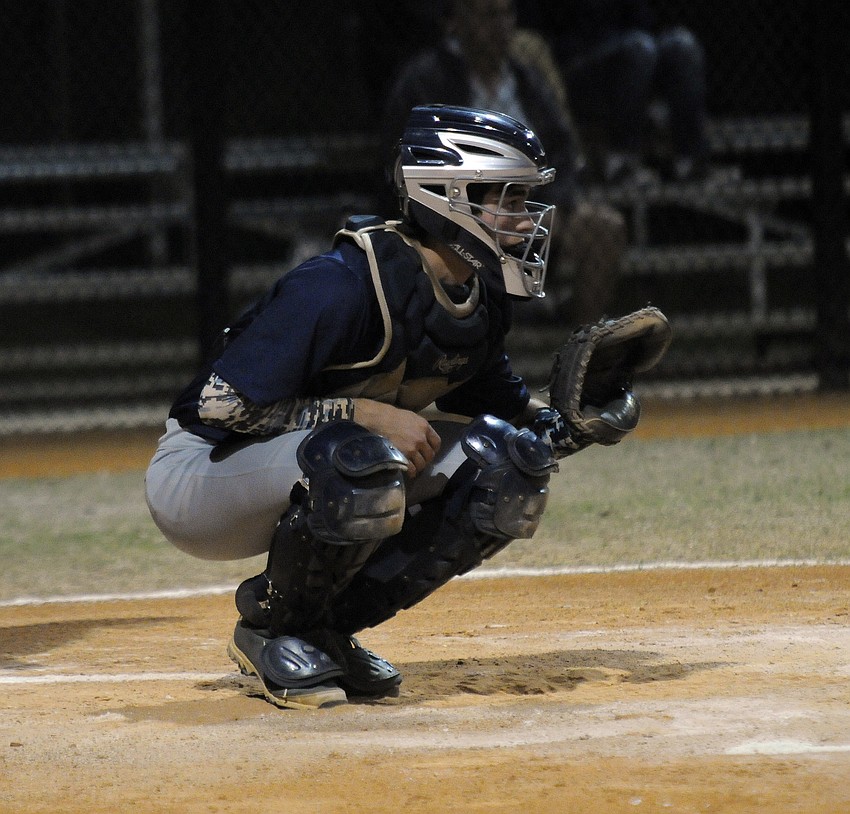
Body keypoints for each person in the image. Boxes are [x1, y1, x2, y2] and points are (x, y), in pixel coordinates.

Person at [144, 105, 643, 711]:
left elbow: (514, 423)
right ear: (447, 197)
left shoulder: (475, 296)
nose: (524, 219)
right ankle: (268, 629)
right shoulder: (343, 285)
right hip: (201, 474)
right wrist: (356, 413)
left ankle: (319, 631)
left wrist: (576, 424)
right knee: (365, 457)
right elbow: (218, 408)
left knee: (508, 467)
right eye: (508, 199)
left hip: (309, 466)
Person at [381, 0, 626, 326]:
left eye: (506, 13)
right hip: (460, 216)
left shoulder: (525, 81)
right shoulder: (427, 80)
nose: (499, 25)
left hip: (534, 212)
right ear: (457, 22)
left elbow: (563, 155)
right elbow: (405, 163)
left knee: (605, 228)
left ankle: (579, 346)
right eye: (487, 15)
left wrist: (554, 207)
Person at [520, 0, 710, 183]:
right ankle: (622, 160)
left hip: (632, 56)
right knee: (638, 49)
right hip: (575, 67)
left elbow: (643, 20)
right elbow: (538, 35)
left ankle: (689, 159)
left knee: (681, 44)